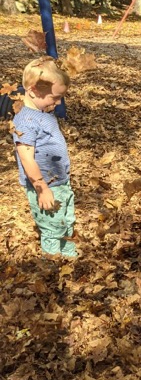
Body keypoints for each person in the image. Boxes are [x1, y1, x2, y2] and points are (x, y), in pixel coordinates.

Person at [12, 56, 77, 258]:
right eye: (55, 98)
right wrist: (42, 188)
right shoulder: (25, 121)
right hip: (45, 185)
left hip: (60, 181)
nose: (58, 103)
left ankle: (69, 258)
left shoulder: (42, 111)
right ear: (33, 91)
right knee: (52, 228)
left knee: (66, 221)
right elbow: (26, 158)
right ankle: (52, 265)